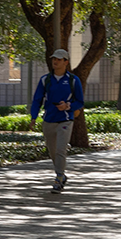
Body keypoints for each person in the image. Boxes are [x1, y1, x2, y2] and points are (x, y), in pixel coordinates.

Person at [28, 48, 84, 191]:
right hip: (49, 120)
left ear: (66, 62)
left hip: (65, 120)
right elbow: (37, 100)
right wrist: (33, 117)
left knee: (60, 149)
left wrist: (68, 106)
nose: (55, 62)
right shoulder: (45, 80)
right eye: (54, 59)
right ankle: (62, 174)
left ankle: (58, 178)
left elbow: (80, 102)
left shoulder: (73, 80)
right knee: (52, 151)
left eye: (59, 59)